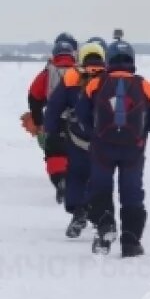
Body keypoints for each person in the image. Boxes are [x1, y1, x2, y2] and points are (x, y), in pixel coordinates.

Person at [75, 40, 150, 257]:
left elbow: (81, 112)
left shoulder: (96, 83)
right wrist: (142, 131)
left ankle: (105, 224)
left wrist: (94, 132)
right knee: (132, 192)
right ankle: (131, 242)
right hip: (133, 149)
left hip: (102, 148)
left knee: (99, 188)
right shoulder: (144, 85)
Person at [43, 42, 107, 238]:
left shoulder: (72, 76)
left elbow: (54, 106)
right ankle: (103, 219)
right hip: (106, 140)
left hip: (78, 139)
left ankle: (78, 211)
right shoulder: (110, 77)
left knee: (76, 176)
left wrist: (51, 131)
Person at [22, 34, 78, 204]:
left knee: (54, 153)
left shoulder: (48, 72)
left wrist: (38, 121)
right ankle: (76, 184)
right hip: (78, 120)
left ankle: (60, 180)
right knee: (77, 153)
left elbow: (34, 96)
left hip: (54, 119)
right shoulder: (80, 71)